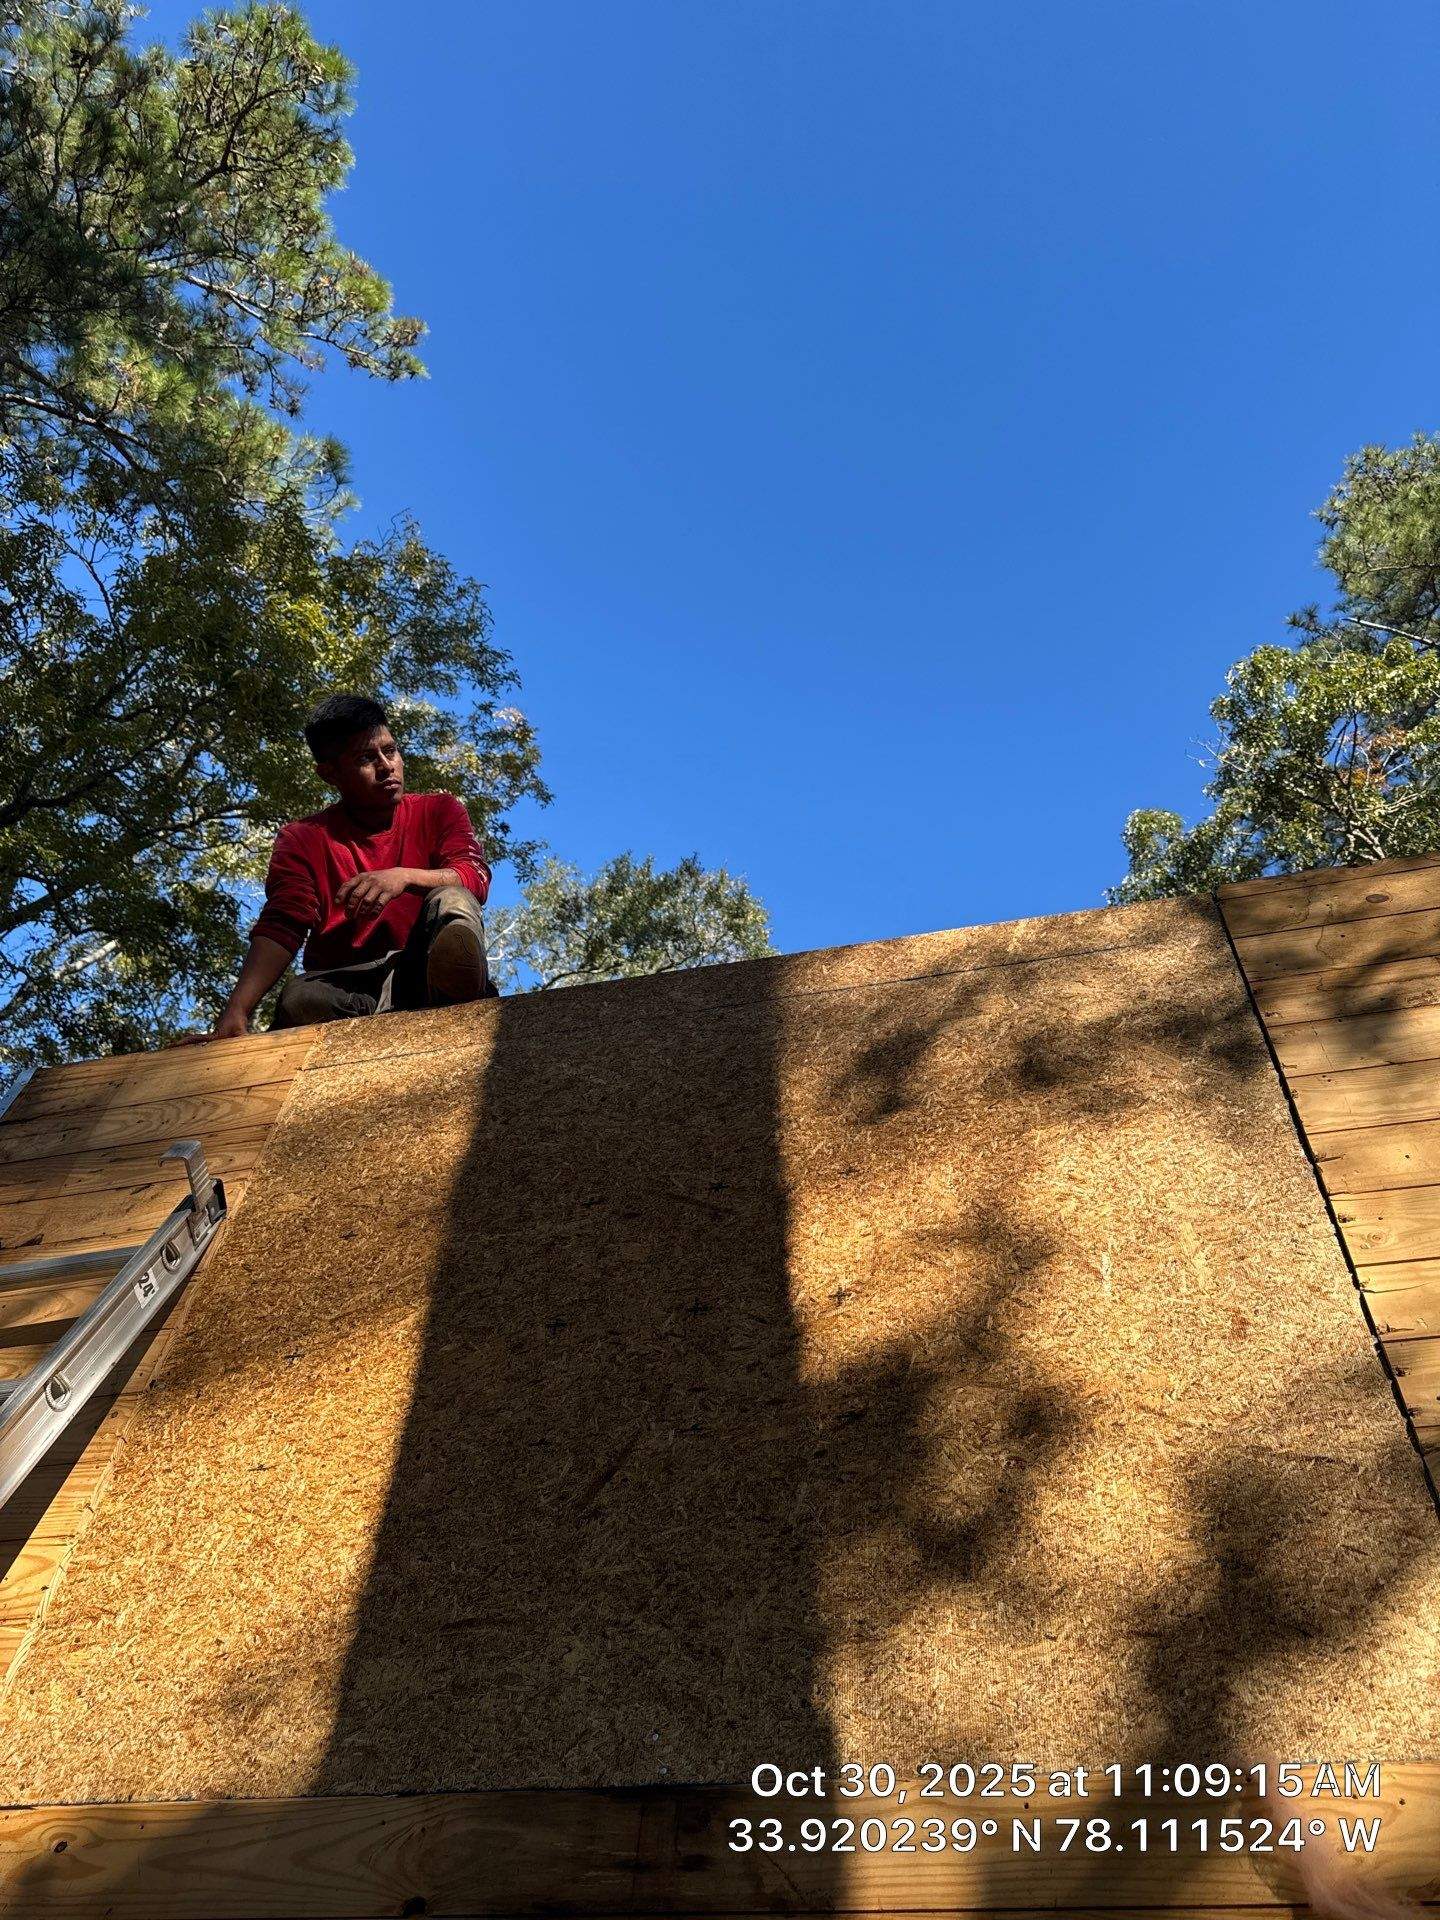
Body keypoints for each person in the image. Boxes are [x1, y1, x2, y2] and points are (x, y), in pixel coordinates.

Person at [202, 693, 495, 1039]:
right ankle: (388, 1018)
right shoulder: (302, 838)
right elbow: (283, 923)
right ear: (329, 773)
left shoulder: (440, 810)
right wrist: (237, 1008)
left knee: (453, 898)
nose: (387, 766)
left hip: (421, 966)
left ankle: (452, 993)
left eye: (391, 750)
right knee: (299, 997)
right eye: (366, 758)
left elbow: (473, 876)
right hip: (347, 986)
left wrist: (403, 877)